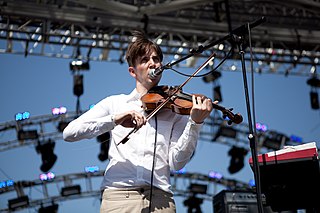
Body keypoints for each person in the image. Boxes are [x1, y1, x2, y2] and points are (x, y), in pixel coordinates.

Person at [63, 30, 213, 213]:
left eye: (156, 59)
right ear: (132, 71)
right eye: (145, 60)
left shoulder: (175, 109)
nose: (153, 63)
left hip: (161, 200)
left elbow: (177, 163)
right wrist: (114, 120)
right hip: (118, 199)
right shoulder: (115, 103)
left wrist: (195, 124)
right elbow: (69, 133)